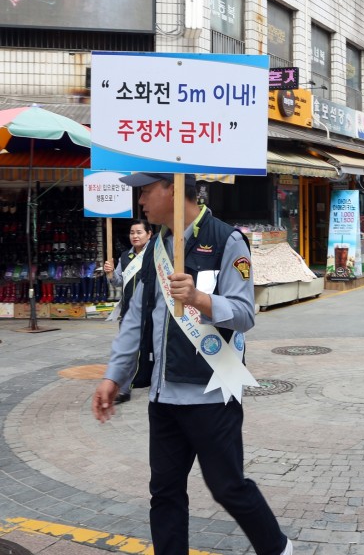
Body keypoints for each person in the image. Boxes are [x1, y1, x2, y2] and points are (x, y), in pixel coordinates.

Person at [91, 173, 291, 555]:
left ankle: (278, 548)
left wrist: (201, 299)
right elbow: (135, 318)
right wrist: (114, 376)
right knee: (164, 493)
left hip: (212, 393)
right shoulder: (154, 249)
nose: (141, 202)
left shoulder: (226, 240)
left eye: (147, 191)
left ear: (175, 188)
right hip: (164, 398)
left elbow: (245, 314)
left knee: (228, 487)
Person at [103, 219, 153, 404]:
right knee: (128, 350)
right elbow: (117, 281)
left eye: (139, 232)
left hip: (152, 312)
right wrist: (110, 274)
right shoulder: (125, 257)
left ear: (149, 234)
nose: (135, 236)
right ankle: (123, 389)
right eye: (132, 232)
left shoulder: (156, 255)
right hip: (129, 313)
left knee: (153, 348)